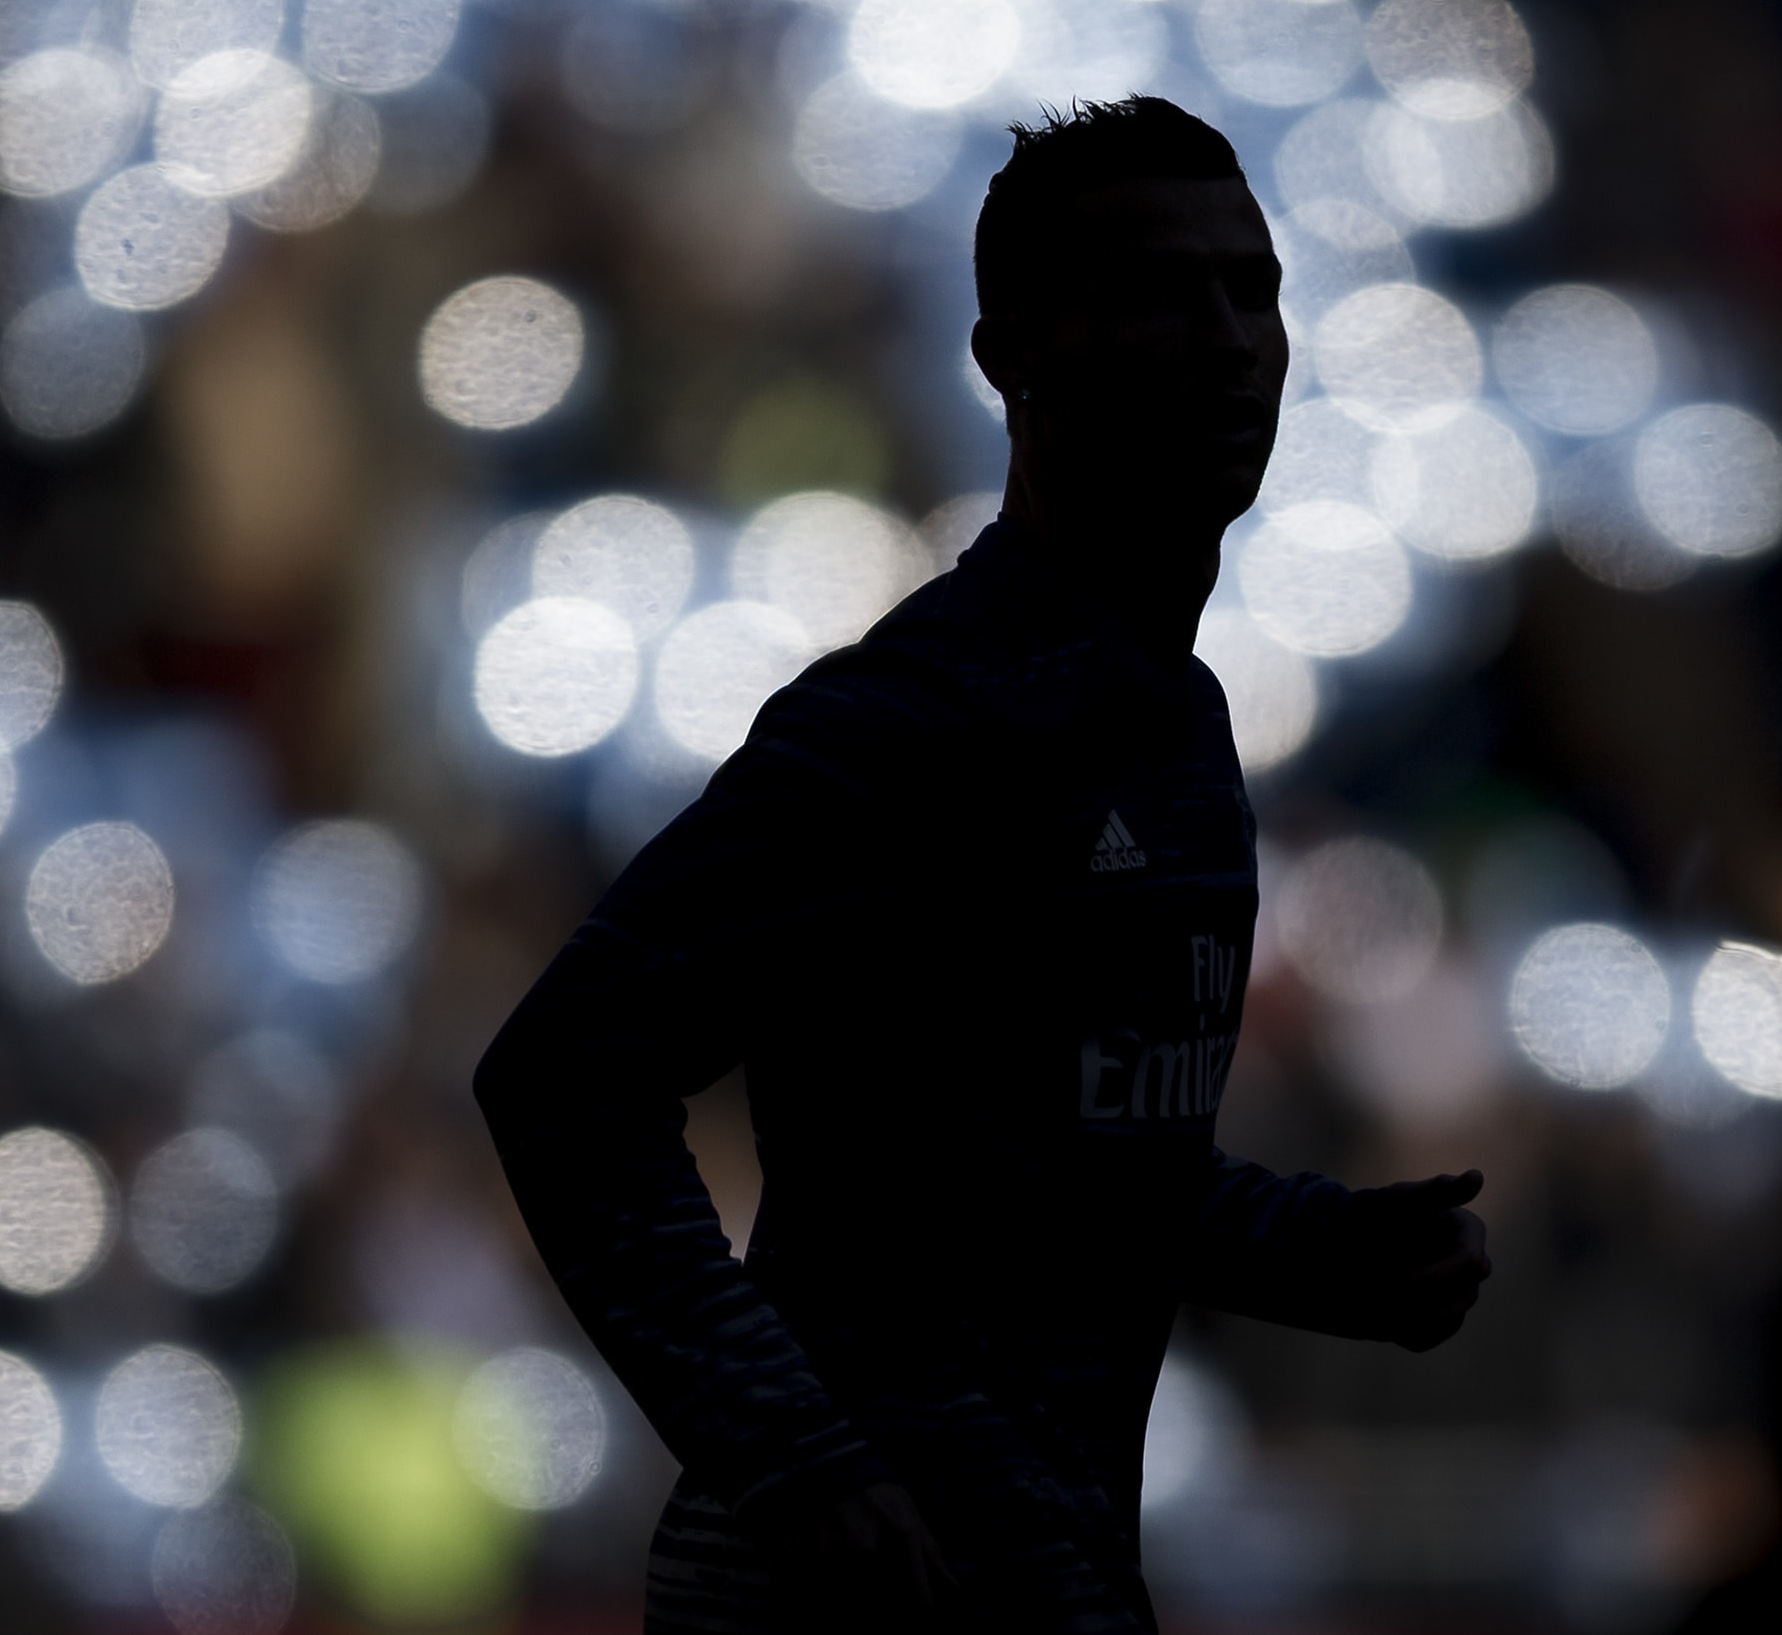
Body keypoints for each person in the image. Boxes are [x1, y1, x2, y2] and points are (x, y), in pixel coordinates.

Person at [475, 98, 1491, 1632]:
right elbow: (563, 1074)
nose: (1229, 341)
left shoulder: (1178, 731)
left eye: (1254, 291)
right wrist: (805, 1461)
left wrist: (1314, 1246)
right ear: (1012, 355)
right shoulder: (913, 726)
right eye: (1162, 294)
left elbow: (1056, 1162)